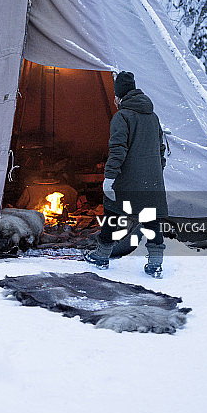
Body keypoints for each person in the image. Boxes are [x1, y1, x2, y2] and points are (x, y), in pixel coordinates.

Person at [84, 71, 168, 277]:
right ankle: (155, 263)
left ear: (119, 96)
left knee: (112, 213)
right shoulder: (153, 116)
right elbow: (160, 149)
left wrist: (109, 177)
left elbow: (118, 150)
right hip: (152, 180)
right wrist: (157, 171)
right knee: (151, 218)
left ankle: (101, 256)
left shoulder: (122, 117)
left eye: (115, 95)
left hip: (128, 180)